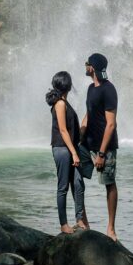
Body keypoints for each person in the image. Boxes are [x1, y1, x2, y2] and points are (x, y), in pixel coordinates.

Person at [79, 52, 119, 241]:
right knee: (75, 175)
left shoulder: (108, 89)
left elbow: (111, 124)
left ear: (92, 67)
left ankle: (110, 228)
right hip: (88, 145)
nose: (85, 66)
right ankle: (83, 222)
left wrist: (102, 153)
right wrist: (78, 138)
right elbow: (87, 115)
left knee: (109, 184)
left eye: (87, 63)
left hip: (105, 147)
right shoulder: (90, 88)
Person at [46, 71, 89, 234]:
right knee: (63, 186)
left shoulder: (64, 102)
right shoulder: (60, 104)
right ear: (68, 86)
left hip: (70, 148)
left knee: (78, 183)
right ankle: (64, 224)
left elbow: (71, 130)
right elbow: (63, 131)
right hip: (62, 149)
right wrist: (74, 153)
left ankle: (79, 219)